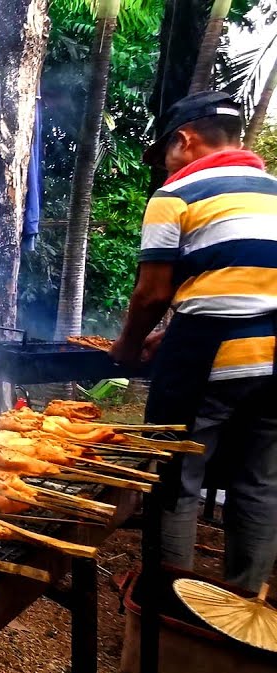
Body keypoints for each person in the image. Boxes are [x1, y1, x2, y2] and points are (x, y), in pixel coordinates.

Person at [110, 91, 277, 593]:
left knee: (174, 478)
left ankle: (168, 605)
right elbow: (244, 283)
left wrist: (126, 347)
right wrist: (176, 330)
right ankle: (243, 606)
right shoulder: (272, 191)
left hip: (207, 360)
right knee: (259, 485)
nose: (164, 167)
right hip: (273, 363)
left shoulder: (177, 194)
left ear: (184, 141)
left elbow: (152, 292)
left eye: (164, 154)